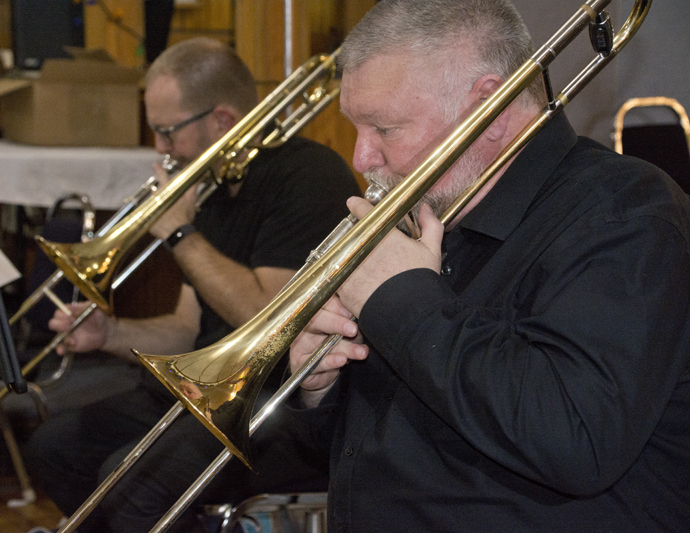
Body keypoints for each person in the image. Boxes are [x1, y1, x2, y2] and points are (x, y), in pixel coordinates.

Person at [287, 0, 690, 531]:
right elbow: (368, 449)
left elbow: (576, 436)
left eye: (385, 128)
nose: (361, 158)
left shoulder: (626, 213)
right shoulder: (428, 215)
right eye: (356, 127)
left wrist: (403, 302)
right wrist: (318, 390)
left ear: (491, 111)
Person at [24, 37, 360, 532]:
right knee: (54, 448)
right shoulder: (214, 190)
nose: (160, 148)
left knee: (129, 487)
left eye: (166, 132)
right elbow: (189, 327)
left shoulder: (309, 176)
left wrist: (181, 235)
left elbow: (272, 320)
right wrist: (110, 334)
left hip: (284, 409)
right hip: (205, 392)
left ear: (222, 120)